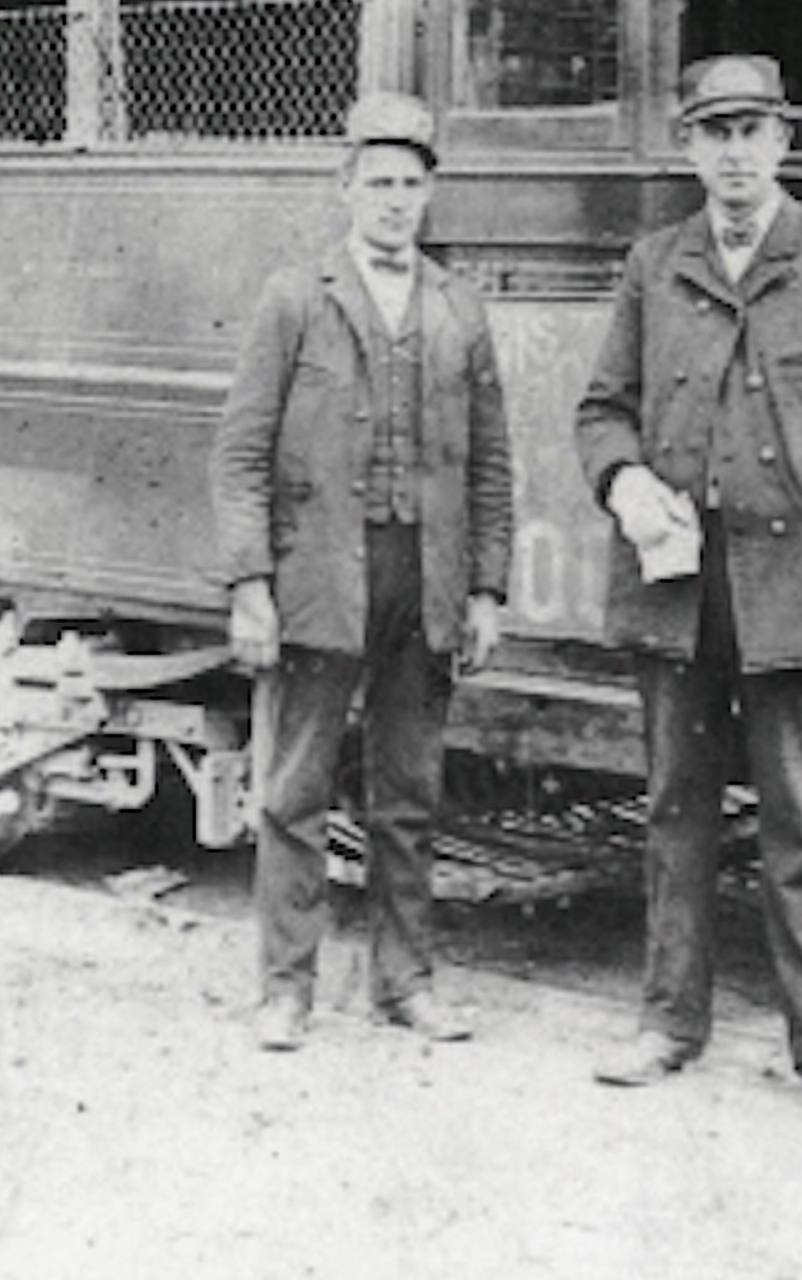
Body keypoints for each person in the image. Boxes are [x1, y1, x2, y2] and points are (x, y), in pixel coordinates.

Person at [574, 54, 802, 1119]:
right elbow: (602, 409)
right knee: (674, 813)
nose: (734, 153)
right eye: (714, 133)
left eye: (751, 132)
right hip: (678, 588)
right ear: (689, 148)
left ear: (783, 142)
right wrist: (624, 479)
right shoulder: (655, 265)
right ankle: (667, 1023)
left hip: (792, 587)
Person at [211, 91, 515, 1052]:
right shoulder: (296, 298)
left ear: (430, 194)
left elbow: (492, 463)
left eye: (410, 184)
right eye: (377, 182)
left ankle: (405, 984)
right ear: (346, 189)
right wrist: (251, 586)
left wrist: (486, 588)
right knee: (294, 793)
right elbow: (241, 453)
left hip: (424, 581)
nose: (394, 200)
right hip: (317, 580)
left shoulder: (458, 307)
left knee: (409, 796)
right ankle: (286, 990)